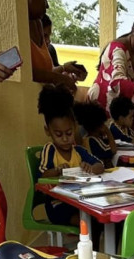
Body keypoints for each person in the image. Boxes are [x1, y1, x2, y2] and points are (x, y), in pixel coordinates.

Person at [35, 87, 104, 226]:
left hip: (78, 200)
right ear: (48, 131)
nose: (65, 139)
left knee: (96, 217)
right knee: (89, 222)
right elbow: (42, 176)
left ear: (75, 128)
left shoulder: (78, 151)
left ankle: (91, 242)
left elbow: (100, 165)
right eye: (59, 134)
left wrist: (90, 168)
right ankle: (87, 238)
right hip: (57, 205)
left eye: (69, 132)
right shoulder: (50, 150)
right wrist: (57, 170)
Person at [87, 14, 134, 110]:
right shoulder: (118, 50)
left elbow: (132, 81)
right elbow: (117, 81)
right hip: (100, 105)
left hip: (118, 107)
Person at [29, 0, 85, 94]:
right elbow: (24, 72)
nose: (47, 6)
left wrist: (64, 68)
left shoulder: (38, 24)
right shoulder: (17, 29)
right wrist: (58, 78)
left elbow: (45, 72)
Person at [75, 102, 115, 167]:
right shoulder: (94, 140)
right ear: (100, 126)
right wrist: (108, 131)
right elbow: (113, 150)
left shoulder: (86, 139)